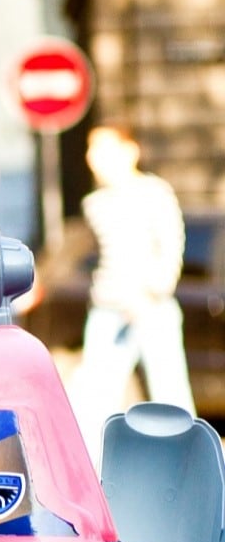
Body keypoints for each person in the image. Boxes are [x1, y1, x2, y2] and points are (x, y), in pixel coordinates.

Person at [70, 123, 191, 459]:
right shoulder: (94, 203)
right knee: (96, 399)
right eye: (91, 151)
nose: (93, 159)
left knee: (171, 395)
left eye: (102, 149)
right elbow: (86, 253)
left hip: (153, 308)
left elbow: (170, 247)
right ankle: (92, 473)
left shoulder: (155, 192)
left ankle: (189, 466)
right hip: (108, 309)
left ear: (129, 150)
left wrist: (151, 293)